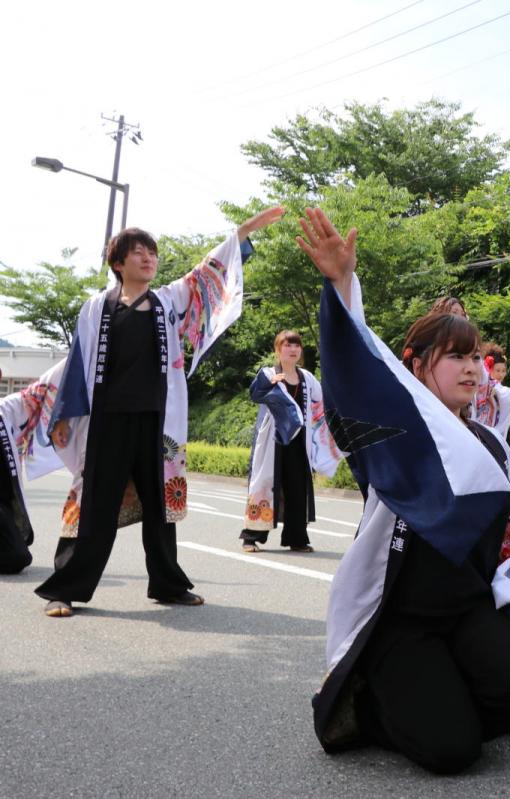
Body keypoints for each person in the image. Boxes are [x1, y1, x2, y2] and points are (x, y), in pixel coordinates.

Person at [297, 207, 510, 774]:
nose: (474, 369)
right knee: (452, 752)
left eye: (476, 357)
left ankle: (446, 690)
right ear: (417, 367)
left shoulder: (493, 447)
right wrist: (342, 284)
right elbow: (357, 370)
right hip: (402, 619)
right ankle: (371, 703)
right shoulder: (392, 435)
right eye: (457, 358)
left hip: (468, 610)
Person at [35, 208, 284, 618]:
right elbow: (77, 365)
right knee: (94, 504)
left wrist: (241, 235)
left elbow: (206, 275)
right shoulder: (96, 309)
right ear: (118, 263)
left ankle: (167, 585)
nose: (148, 259)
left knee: (160, 508)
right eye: (137, 253)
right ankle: (66, 588)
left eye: (151, 252)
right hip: (108, 422)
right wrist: (65, 413)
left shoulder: (169, 300)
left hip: (157, 422)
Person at [240, 330, 343, 553]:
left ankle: (297, 538)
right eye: (288, 345)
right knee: (264, 485)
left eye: (296, 345)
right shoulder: (268, 373)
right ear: (278, 350)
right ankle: (251, 537)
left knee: (298, 488)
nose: (293, 349)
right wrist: (269, 383)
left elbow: (321, 404)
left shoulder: (307, 377)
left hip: (299, 442)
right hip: (272, 442)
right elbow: (255, 394)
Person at [0, 363, 65, 574]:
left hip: (4, 505)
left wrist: (79, 352)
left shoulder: (5, 409)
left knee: (19, 556)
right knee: (18, 557)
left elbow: (43, 387)